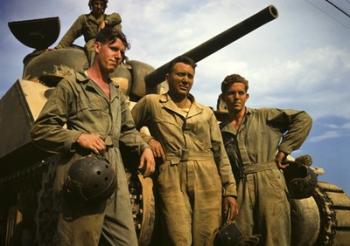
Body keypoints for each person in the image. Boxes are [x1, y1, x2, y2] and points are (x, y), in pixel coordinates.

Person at [31, 27, 155, 246]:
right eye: (113, 48)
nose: (118, 56)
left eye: (122, 53)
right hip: (83, 170)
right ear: (97, 47)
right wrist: (78, 137)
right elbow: (41, 129)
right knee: (80, 240)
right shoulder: (72, 85)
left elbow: (127, 129)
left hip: (114, 172)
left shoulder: (116, 92)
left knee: (127, 241)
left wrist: (144, 147)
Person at [131, 56, 238, 245]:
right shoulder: (152, 103)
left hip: (208, 178)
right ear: (167, 77)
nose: (185, 80)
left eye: (189, 76)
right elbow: (126, 127)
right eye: (180, 74)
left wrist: (230, 191)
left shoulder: (205, 112)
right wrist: (148, 140)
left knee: (208, 238)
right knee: (177, 238)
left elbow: (220, 153)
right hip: (172, 176)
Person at [219, 74, 312, 245]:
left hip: (269, 181)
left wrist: (284, 149)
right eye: (232, 93)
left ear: (247, 96)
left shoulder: (264, 116)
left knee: (275, 236)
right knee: (241, 237)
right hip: (240, 185)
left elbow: (303, 118)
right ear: (224, 97)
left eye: (241, 93)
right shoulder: (220, 129)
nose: (237, 97)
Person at [56, 0, 122, 62]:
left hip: (107, 41)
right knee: (92, 48)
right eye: (96, 4)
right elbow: (71, 34)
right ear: (91, 4)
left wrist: (106, 22)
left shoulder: (107, 17)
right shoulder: (84, 18)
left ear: (104, 6)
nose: (99, 7)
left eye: (101, 4)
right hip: (92, 43)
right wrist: (58, 48)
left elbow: (118, 17)